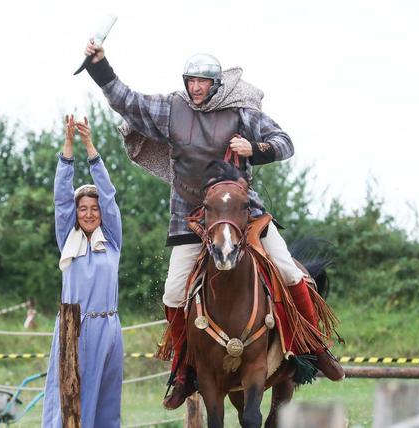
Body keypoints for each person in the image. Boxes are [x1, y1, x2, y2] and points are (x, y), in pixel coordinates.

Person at [80, 42, 344, 409]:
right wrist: (99, 66)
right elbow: (128, 101)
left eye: (202, 82)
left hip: (243, 216)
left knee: (289, 271)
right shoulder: (172, 108)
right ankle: (185, 370)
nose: (195, 88)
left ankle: (315, 346)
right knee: (173, 294)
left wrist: (256, 148)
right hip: (191, 220)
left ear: (216, 84)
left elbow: (285, 143)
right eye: (191, 81)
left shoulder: (241, 112)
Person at [42, 115, 123, 427]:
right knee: (69, 402)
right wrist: (68, 146)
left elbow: (109, 194)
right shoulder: (68, 239)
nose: (89, 213)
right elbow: (62, 197)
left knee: (106, 405)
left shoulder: (112, 240)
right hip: (74, 330)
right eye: (83, 209)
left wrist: (90, 145)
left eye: (94, 208)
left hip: (110, 330)